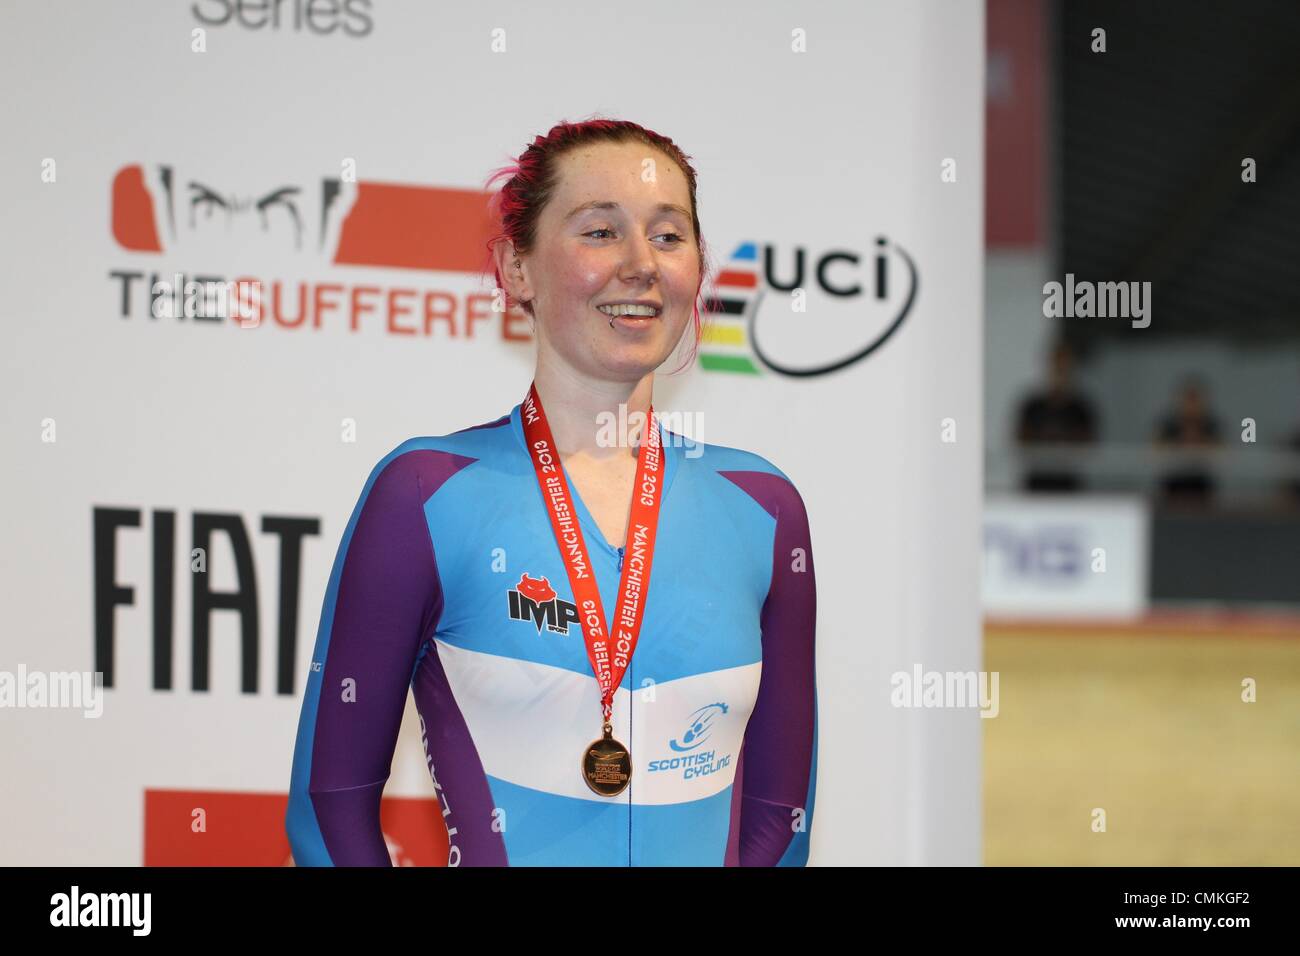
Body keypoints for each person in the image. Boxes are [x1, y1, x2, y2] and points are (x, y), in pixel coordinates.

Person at [285, 119, 818, 866]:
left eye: (669, 236)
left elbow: (780, 820)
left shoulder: (763, 510)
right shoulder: (427, 496)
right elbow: (327, 808)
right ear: (517, 267)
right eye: (600, 231)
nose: (640, 265)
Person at [1014, 340, 1098, 491]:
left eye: (1064, 366)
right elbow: (1021, 441)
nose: (1060, 371)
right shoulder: (1033, 406)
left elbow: (1088, 445)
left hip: (1069, 484)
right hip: (1036, 484)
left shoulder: (1081, 409)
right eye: (1057, 365)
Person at [1153, 375, 1221, 504]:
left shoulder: (1211, 426)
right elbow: (1155, 452)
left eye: (1195, 399)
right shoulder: (1168, 425)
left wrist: (1200, 444)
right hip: (1172, 488)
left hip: (1203, 488)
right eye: (1188, 399)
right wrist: (1179, 446)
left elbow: (1222, 454)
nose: (1191, 405)